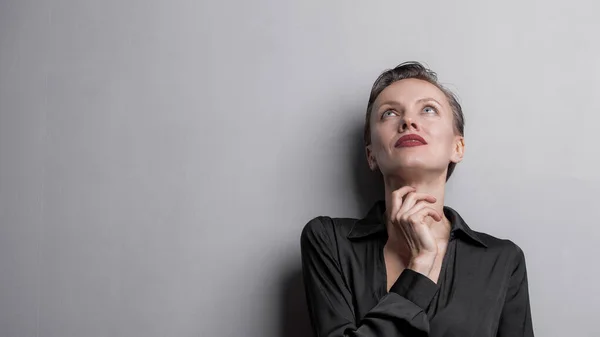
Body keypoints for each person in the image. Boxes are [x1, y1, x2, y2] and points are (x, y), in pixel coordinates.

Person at [300, 62, 534, 337]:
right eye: (389, 113)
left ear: (457, 147)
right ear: (371, 154)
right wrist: (421, 266)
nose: (408, 121)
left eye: (428, 109)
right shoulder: (329, 241)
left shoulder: (502, 260)